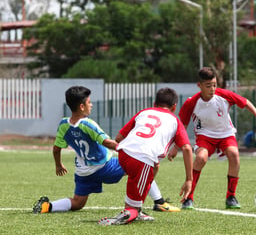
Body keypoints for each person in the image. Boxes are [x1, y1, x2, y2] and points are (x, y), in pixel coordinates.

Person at [32, 86, 179, 220]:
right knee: (144, 165)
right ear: (82, 106)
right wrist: (130, 149)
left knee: (78, 203)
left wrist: (58, 165)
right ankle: (159, 202)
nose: (91, 105)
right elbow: (107, 142)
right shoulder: (88, 124)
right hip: (106, 166)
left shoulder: (63, 124)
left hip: (84, 171)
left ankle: (48, 206)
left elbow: (57, 148)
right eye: (89, 102)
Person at [171, 67, 256, 210]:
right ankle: (189, 197)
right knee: (200, 158)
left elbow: (246, 102)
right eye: (208, 86)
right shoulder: (191, 103)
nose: (212, 89)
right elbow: (183, 126)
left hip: (226, 134)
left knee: (234, 155)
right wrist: (175, 147)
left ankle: (231, 197)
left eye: (215, 85)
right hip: (205, 135)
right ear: (199, 85)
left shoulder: (223, 95)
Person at [98, 87, 193, 225]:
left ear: (155, 103)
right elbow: (187, 148)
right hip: (141, 160)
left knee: (154, 168)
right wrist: (189, 179)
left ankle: (136, 210)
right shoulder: (175, 121)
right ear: (174, 107)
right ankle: (131, 213)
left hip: (123, 154)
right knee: (133, 207)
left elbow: (119, 137)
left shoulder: (144, 112)